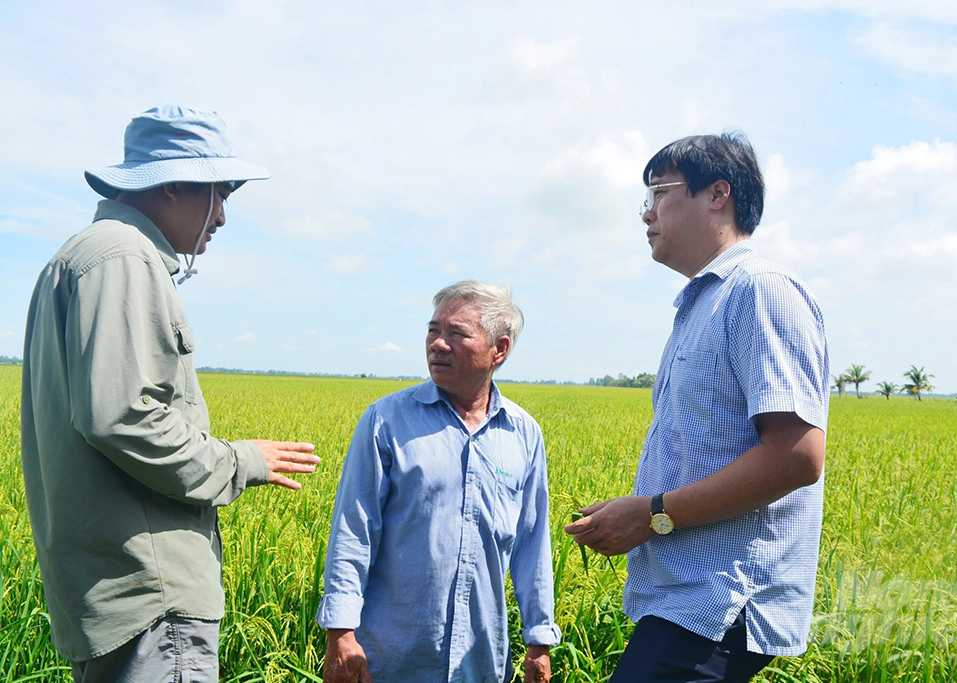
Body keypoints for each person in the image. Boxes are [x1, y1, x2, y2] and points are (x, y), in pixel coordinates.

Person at [20, 106, 321, 683]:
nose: (224, 216)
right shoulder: (123, 257)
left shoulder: (80, 257)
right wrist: (239, 461)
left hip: (116, 589)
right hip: (151, 595)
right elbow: (123, 415)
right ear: (176, 183)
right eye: (221, 191)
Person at [564, 132, 829, 682]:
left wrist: (651, 514)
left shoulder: (760, 291)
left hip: (724, 601)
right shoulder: (704, 302)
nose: (646, 214)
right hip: (690, 598)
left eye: (658, 193)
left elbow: (796, 457)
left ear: (717, 195)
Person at [318, 280, 561, 683]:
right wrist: (340, 631)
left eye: (456, 333)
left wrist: (539, 639)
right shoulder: (386, 421)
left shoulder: (523, 434)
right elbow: (353, 531)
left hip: (480, 659)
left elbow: (533, 542)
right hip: (391, 657)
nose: (437, 344)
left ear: (499, 349)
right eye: (433, 330)